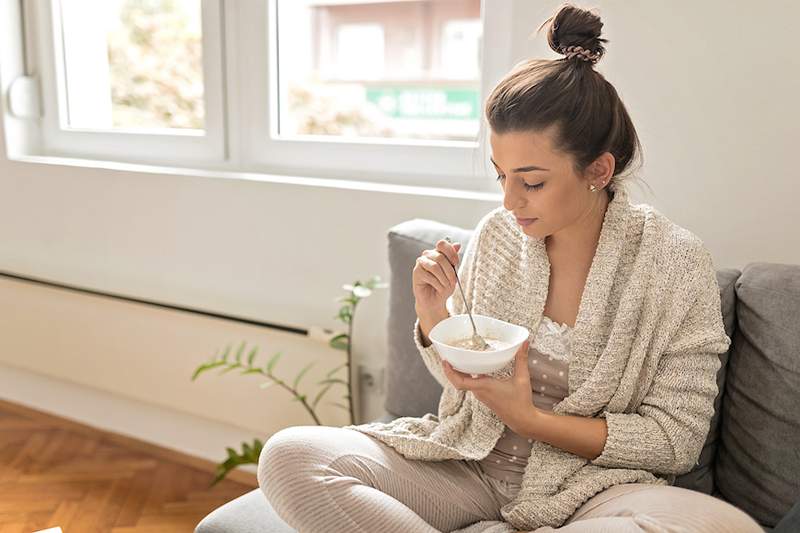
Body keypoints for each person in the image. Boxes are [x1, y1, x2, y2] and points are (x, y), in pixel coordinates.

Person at [257, 3, 764, 532]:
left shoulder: (674, 263)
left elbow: (675, 441)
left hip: (591, 491)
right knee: (292, 456)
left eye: (532, 181)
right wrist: (436, 319)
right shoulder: (497, 237)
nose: (509, 201)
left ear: (598, 169)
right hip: (466, 467)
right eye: (500, 176)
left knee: (720, 526)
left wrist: (531, 420)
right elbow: (465, 385)